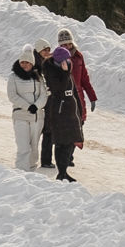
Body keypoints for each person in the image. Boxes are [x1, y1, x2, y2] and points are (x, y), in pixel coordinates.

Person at [43, 45, 84, 178]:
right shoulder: (52, 71)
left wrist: (80, 109)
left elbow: (74, 92)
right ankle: (61, 173)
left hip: (71, 112)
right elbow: (58, 90)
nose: (69, 61)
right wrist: (65, 73)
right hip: (59, 112)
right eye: (66, 59)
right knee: (61, 142)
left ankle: (63, 171)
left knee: (71, 141)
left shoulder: (67, 69)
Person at [8, 47, 47, 170]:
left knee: (34, 145)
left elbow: (43, 95)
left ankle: (31, 169)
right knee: (23, 146)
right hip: (20, 115)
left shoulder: (39, 77)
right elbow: (12, 95)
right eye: (22, 62)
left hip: (37, 117)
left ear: (32, 63)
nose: (24, 65)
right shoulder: (13, 77)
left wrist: (36, 106)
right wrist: (28, 106)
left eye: (27, 62)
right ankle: (21, 170)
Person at [57, 27, 98, 121]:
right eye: (64, 45)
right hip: (63, 99)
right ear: (60, 46)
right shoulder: (55, 59)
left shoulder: (78, 57)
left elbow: (85, 79)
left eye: (69, 44)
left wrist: (92, 97)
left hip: (78, 98)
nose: (67, 47)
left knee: (79, 129)